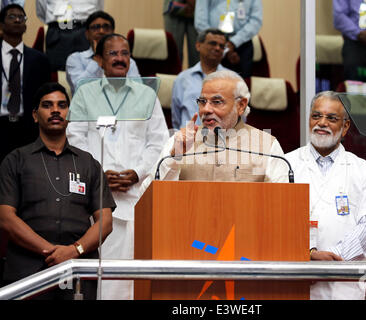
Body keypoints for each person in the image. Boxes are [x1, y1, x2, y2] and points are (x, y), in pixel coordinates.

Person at [66, 33, 169, 300]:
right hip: (96, 200)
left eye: (125, 53)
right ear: (99, 59)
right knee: (102, 277)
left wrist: (136, 173)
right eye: (113, 54)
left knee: (131, 276)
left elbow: (158, 143)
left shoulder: (146, 95)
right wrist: (99, 174)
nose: (120, 59)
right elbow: (74, 139)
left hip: (136, 198)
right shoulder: (86, 93)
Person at [0, 82, 116, 300]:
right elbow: (6, 218)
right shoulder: (15, 160)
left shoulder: (88, 163)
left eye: (62, 105)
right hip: (28, 273)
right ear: (35, 115)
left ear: (68, 114)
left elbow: (105, 222)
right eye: (47, 105)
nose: (55, 110)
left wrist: (73, 251)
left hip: (78, 272)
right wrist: (53, 253)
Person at [284, 91, 366, 300]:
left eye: (331, 118)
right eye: (316, 116)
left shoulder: (362, 170)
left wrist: (332, 258)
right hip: (294, 278)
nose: (322, 123)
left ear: (345, 127)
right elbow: (272, 222)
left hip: (343, 284)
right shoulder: (285, 163)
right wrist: (307, 255)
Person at [140, 69, 288, 192]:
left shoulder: (267, 146)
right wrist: (174, 158)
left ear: (241, 105)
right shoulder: (181, 141)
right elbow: (146, 196)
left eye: (217, 102)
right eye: (202, 101)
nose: (206, 109)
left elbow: (283, 201)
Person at [0, 3, 51, 163]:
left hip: (28, 127)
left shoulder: (39, 60)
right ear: (1, 25)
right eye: (12, 17)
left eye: (21, 17)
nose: (17, 20)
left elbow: (44, 95)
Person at [66, 10, 141, 96]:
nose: (101, 31)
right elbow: (79, 89)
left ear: (113, 32)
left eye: (106, 27)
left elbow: (138, 91)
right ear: (87, 34)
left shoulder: (127, 61)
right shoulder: (75, 58)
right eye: (96, 27)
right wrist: (97, 58)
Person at [171, 28, 228, 130]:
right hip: (188, 140)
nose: (217, 48)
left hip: (221, 141)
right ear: (198, 46)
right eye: (213, 43)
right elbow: (176, 119)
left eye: (222, 46)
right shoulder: (182, 79)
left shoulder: (232, 80)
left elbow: (239, 118)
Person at [194, 0, 262, 79]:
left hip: (242, 44)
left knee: (240, 86)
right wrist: (216, 40)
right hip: (212, 43)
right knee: (209, 82)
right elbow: (200, 20)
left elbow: (255, 21)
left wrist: (234, 42)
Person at [36, 0, 104, 71]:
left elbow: (98, 10)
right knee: (55, 71)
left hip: (83, 32)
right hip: (57, 32)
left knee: (86, 70)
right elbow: (41, 11)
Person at [163, 0, 199, 67]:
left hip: (196, 8)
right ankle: (174, 77)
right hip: (174, 9)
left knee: (197, 52)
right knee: (174, 52)